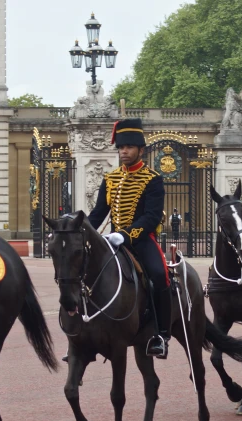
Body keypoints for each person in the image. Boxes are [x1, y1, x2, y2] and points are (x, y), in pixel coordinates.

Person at [87, 118, 171, 359]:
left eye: (129, 147)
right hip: (112, 242)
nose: (124, 151)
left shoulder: (152, 179)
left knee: (159, 275)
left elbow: (151, 217)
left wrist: (125, 235)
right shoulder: (111, 178)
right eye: (121, 147)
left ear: (140, 150)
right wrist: (80, 230)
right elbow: (98, 213)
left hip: (142, 241)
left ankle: (161, 334)